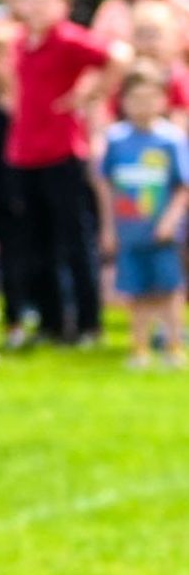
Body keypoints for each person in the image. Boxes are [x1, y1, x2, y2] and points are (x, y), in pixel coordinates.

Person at [0, 0, 127, 346]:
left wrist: (90, 92)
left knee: (74, 240)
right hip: (24, 153)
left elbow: (119, 57)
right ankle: (52, 323)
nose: (37, 5)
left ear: (64, 2)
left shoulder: (69, 39)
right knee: (35, 244)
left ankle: (89, 324)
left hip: (62, 153)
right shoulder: (20, 42)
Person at [97, 65, 188, 369]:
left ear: (163, 100)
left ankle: (173, 346)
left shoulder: (171, 139)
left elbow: (182, 185)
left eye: (150, 98)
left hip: (162, 232)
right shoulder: (116, 139)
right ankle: (139, 349)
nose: (143, 106)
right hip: (129, 231)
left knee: (168, 288)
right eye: (135, 99)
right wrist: (108, 228)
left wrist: (171, 220)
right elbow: (107, 185)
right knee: (135, 291)